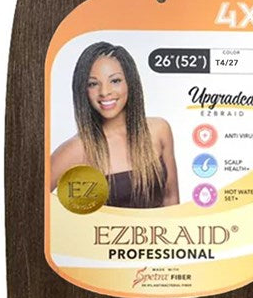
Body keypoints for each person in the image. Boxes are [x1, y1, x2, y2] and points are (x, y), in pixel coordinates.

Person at [50, 42, 179, 208]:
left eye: (115, 81)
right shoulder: (77, 149)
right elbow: (32, 197)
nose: (105, 92)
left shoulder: (159, 130)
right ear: (83, 90)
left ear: (130, 83)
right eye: (93, 84)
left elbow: (171, 199)